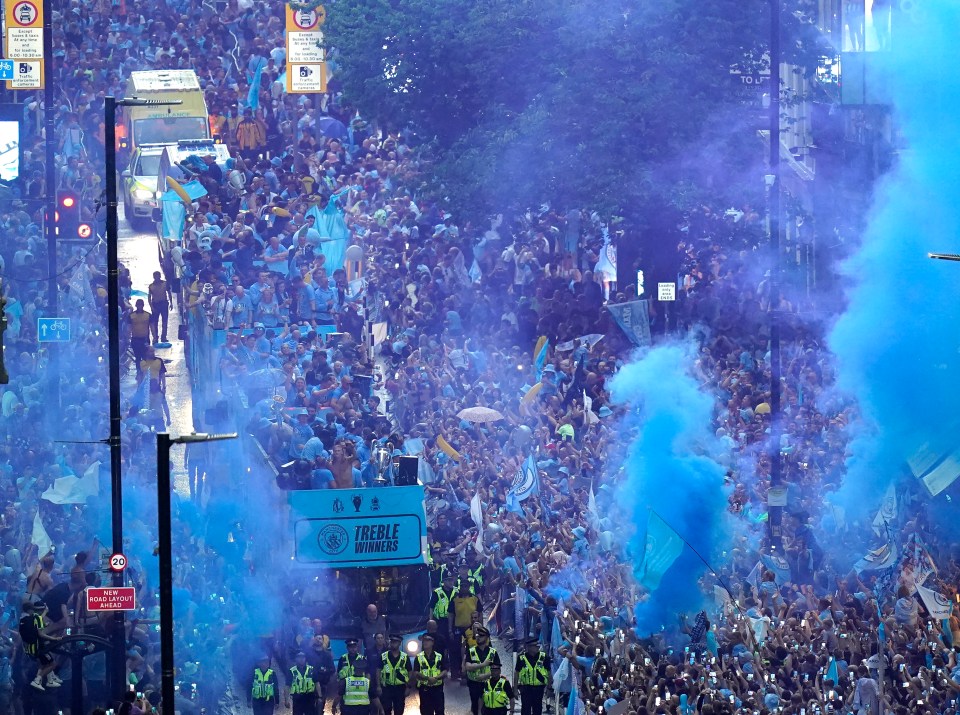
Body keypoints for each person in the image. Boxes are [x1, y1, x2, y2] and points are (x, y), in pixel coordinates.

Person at [18, 598, 61, 691]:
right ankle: (37, 680)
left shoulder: (23, 619)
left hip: (29, 648)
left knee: (44, 663)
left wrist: (44, 624)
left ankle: (50, 679)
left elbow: (34, 628)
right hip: (38, 647)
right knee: (52, 664)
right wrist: (54, 638)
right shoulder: (36, 618)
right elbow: (41, 634)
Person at [463, 625, 499, 715]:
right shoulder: (471, 651)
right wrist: (483, 664)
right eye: (477, 636)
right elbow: (468, 666)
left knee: (488, 707)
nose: (478, 638)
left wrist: (485, 675)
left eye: (481, 636)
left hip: (488, 684)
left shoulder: (492, 652)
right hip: (474, 683)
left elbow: (497, 670)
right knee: (475, 706)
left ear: (487, 638)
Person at [414, 633, 447, 715]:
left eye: (428, 640)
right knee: (426, 712)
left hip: (437, 689)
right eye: (424, 640)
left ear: (432, 642)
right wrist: (427, 678)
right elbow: (416, 672)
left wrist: (435, 678)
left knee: (440, 711)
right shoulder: (418, 657)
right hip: (424, 689)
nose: (425, 642)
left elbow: (445, 671)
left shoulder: (439, 656)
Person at [515, 637, 550, 715]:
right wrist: (515, 689)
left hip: (539, 688)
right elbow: (516, 673)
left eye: (537, 646)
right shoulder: (521, 658)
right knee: (525, 710)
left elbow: (549, 673)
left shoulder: (544, 657)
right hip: (525, 688)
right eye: (535, 646)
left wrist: (549, 688)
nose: (537, 647)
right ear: (528, 647)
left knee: (537, 710)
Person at [378, 634, 410, 715]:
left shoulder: (405, 657)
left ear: (399, 643)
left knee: (399, 710)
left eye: (396, 642)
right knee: (386, 710)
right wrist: (378, 686)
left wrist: (408, 687)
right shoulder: (383, 656)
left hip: (400, 688)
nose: (393, 644)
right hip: (386, 687)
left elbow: (410, 672)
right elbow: (378, 671)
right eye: (392, 642)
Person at [307, 633, 336, 714]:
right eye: (316, 639)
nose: (318, 640)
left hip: (323, 683)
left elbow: (332, 669)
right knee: (309, 708)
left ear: (323, 641)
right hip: (309, 685)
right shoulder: (308, 654)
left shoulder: (327, 655)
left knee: (320, 706)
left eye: (320, 638)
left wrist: (324, 671)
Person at [286, 651, 319, 715]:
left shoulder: (311, 669)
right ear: (295, 658)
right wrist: (286, 700)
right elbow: (287, 686)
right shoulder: (292, 671)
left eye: (303, 657)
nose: (301, 659)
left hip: (309, 697)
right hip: (297, 698)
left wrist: (319, 697)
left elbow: (317, 683)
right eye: (299, 657)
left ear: (305, 658)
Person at [127, 299, 152, 376]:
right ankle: (139, 372)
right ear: (136, 305)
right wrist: (128, 337)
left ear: (143, 305)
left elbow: (152, 326)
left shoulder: (148, 315)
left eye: (141, 305)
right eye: (138, 305)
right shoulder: (131, 316)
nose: (140, 307)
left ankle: (145, 372)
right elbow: (129, 328)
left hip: (145, 339)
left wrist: (155, 337)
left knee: (145, 357)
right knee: (137, 357)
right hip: (135, 339)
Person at [147, 271, 170, 343]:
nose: (157, 278)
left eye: (158, 276)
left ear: (160, 276)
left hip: (164, 304)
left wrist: (171, 302)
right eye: (155, 276)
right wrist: (151, 307)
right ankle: (155, 337)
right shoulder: (151, 286)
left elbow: (169, 293)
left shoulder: (165, 284)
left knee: (165, 321)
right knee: (155, 322)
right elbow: (149, 297)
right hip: (155, 305)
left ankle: (163, 337)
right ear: (154, 277)